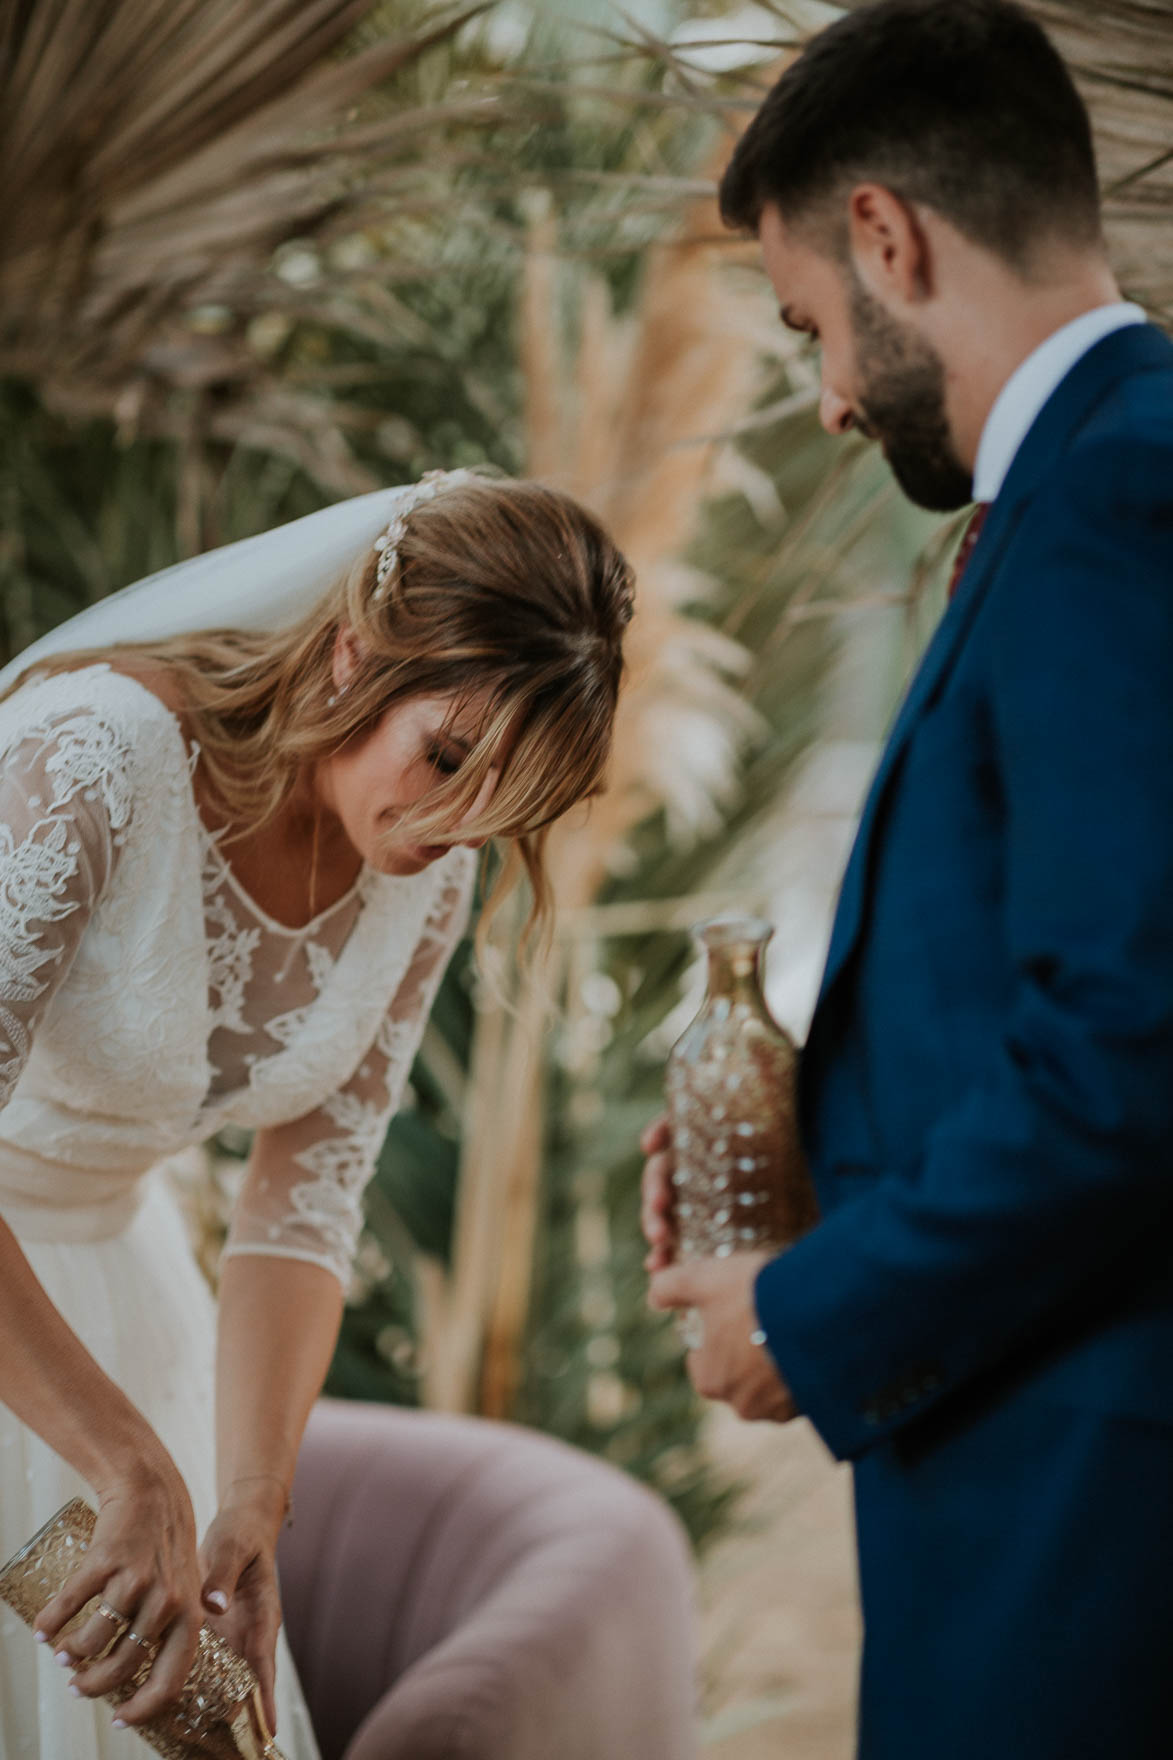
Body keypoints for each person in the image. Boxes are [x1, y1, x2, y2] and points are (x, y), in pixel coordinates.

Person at [642, 2, 1173, 1754]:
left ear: (886, 234)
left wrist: (809, 1310)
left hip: (1088, 1537)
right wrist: (811, 1151)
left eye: (809, 325)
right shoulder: (1084, 490)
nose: (824, 395)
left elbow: (1130, 1047)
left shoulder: (1117, 497)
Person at [0, 467, 633, 1757]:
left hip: (128, 1292)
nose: (459, 823)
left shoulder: (426, 882)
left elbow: (306, 1202)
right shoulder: (98, 757)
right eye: (446, 757)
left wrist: (248, 1494)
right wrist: (125, 1459)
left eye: (509, 797)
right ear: (353, 653)